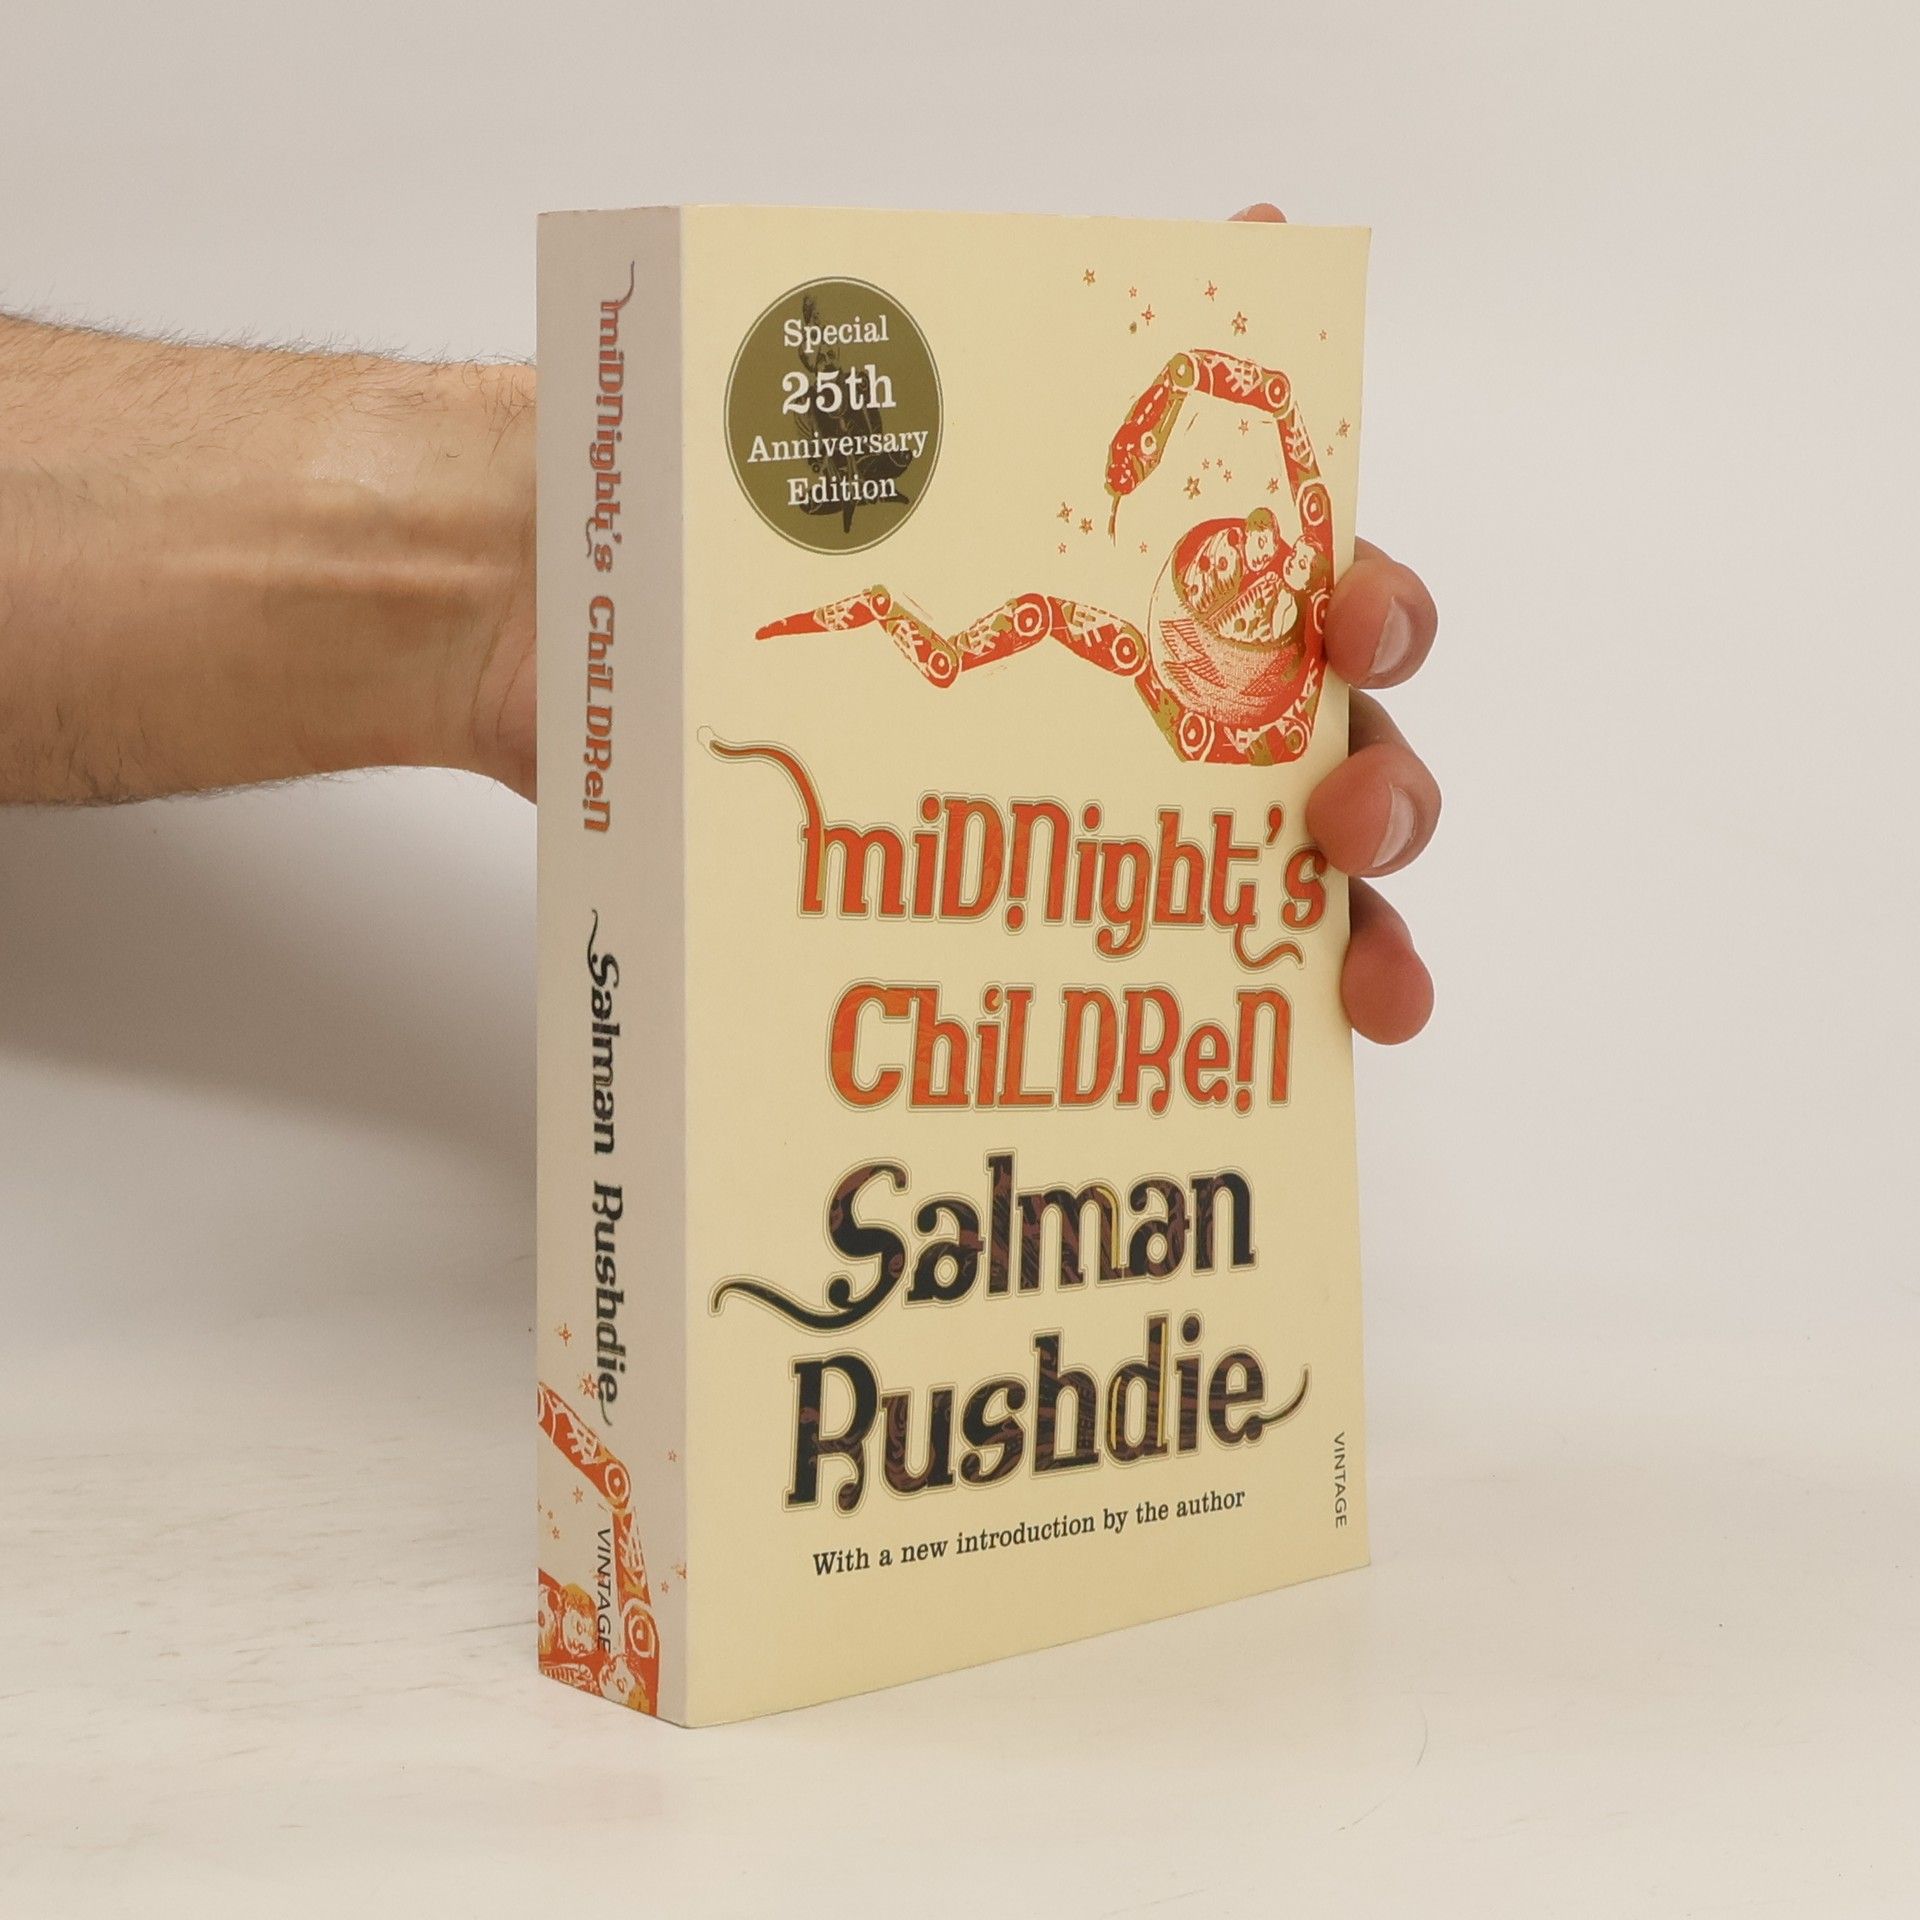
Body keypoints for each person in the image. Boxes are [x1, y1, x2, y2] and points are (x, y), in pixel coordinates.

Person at [0, 204, 1439, 1041]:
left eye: (1258, 563)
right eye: (1247, 548)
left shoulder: (1165, 659)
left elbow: (1253, 444)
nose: (1264, 550)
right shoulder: (1127, 640)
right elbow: (1076, 583)